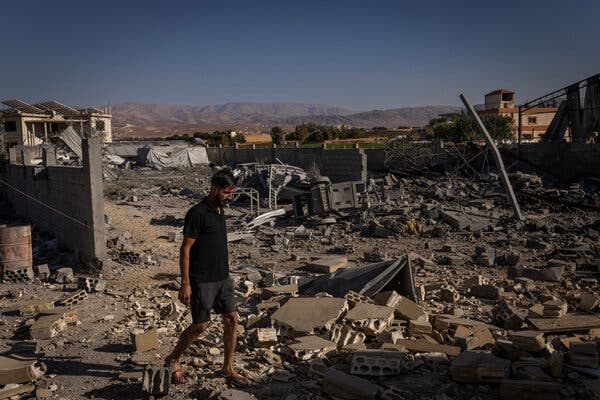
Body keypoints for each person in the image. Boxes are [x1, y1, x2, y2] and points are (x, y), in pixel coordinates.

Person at [164, 169, 248, 387]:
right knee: (200, 327)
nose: (230, 197)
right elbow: (185, 250)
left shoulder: (220, 210)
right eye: (227, 192)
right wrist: (185, 283)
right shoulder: (197, 213)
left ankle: (228, 368)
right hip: (202, 280)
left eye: (231, 192)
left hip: (223, 278)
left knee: (231, 320)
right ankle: (173, 359)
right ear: (214, 189)